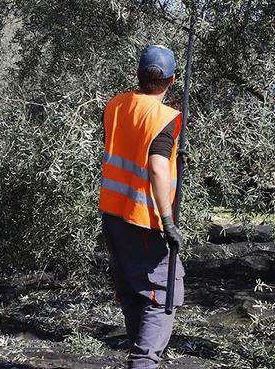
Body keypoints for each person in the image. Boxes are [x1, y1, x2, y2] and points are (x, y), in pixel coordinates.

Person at [100, 45, 185, 369]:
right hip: (144, 221)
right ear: (171, 80)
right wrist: (168, 221)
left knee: (135, 294)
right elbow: (157, 167)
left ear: (138, 74)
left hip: (112, 216)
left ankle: (141, 360)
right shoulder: (167, 118)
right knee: (163, 294)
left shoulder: (115, 106)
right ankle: (144, 363)